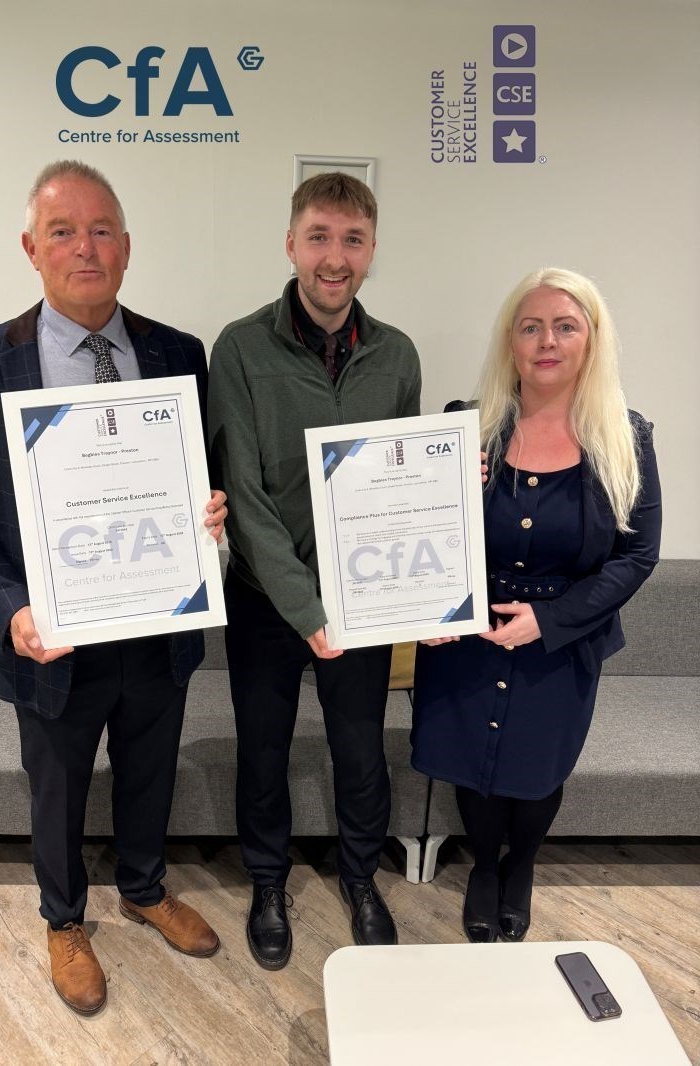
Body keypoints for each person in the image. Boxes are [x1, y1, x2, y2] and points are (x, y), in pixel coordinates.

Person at [0, 160, 227, 1014]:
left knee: (149, 771)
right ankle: (63, 918)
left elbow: (199, 478)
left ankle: (145, 885)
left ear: (126, 247)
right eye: (63, 231)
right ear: (31, 247)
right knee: (55, 786)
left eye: (101, 231)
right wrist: (8, 608)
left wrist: (209, 515)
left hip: (159, 624)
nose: (84, 247)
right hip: (47, 636)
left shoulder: (177, 354)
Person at [207, 172, 421, 968]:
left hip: (362, 600)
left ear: (370, 252)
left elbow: (399, 490)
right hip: (267, 601)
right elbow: (247, 497)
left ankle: (362, 877)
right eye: (321, 237)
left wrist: (421, 594)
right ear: (292, 243)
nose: (336, 258)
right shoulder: (239, 346)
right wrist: (306, 609)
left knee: (361, 749)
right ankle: (267, 881)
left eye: (353, 240)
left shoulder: (397, 355)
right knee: (262, 750)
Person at [412, 267, 661, 943]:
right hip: (470, 637)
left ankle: (519, 865)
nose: (546, 340)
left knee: (535, 770)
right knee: (474, 768)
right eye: (530, 327)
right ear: (510, 342)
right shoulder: (469, 427)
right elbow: (422, 531)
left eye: (565, 325)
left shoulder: (625, 437)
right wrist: (433, 606)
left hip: (562, 641)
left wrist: (548, 622)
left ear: (591, 339)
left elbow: (637, 556)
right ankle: (484, 867)